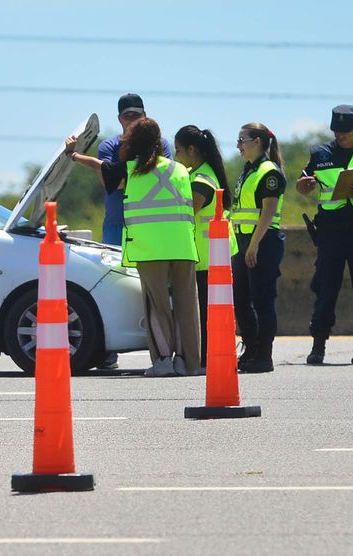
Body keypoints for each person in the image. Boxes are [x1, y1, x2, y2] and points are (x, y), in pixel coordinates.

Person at [70, 117, 199, 375]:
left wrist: (74, 155)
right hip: (184, 247)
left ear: (133, 143)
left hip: (150, 249)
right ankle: (187, 363)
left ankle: (163, 361)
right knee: (186, 306)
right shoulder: (180, 170)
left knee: (157, 306)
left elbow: (102, 168)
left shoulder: (131, 170)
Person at [294, 105, 353, 365]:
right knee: (325, 289)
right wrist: (304, 185)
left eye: (345, 131)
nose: (340, 135)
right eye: (337, 131)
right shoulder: (320, 154)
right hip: (330, 233)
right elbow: (302, 185)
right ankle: (318, 345)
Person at [91, 94, 172, 372]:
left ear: (145, 115)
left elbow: (159, 179)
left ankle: (161, 349)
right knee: (111, 284)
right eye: (127, 116)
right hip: (117, 224)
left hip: (150, 225)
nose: (132, 120)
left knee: (157, 289)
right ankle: (109, 351)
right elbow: (110, 184)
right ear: (119, 119)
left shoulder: (162, 145)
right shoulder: (110, 145)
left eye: (137, 115)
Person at [173, 125, 237, 369]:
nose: (177, 156)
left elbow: (188, 213)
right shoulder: (198, 174)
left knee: (206, 313)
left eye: (179, 150)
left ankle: (207, 360)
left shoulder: (201, 180)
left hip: (209, 257)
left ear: (192, 149)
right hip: (209, 255)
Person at [231, 122, 286, 373]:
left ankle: (264, 355)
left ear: (258, 142)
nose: (238, 145)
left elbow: (268, 211)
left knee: (263, 301)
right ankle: (251, 350)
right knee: (241, 299)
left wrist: (253, 245)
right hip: (244, 243)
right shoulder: (249, 170)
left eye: (242, 140)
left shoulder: (268, 171)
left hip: (262, 242)